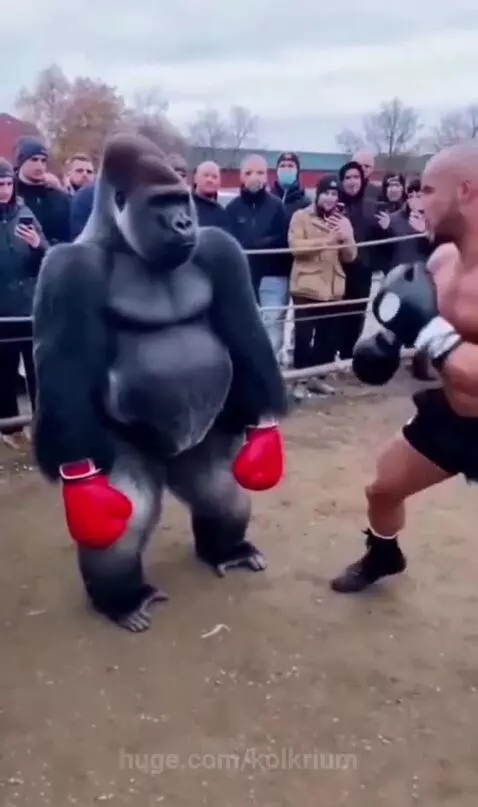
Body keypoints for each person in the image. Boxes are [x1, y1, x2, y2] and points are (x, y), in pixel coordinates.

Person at [32, 131, 288, 633]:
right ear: (121, 203)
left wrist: (263, 418)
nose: (182, 220)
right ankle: (118, 596)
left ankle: (223, 547)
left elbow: (249, 340)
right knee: (124, 523)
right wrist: (79, 471)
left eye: (182, 202)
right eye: (163, 207)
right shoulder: (76, 269)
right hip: (122, 433)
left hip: (204, 425)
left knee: (226, 495)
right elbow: (61, 377)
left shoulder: (216, 253)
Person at [330, 141, 478, 593]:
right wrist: (387, 342)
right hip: (454, 416)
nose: (417, 202)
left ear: (467, 191)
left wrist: (427, 330)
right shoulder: (442, 260)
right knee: (383, 489)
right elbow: (415, 330)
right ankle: (383, 555)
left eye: (429, 190)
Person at [288, 175, 357, 399]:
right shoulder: (301, 217)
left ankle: (317, 379)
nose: (330, 198)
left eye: (334, 194)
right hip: (307, 286)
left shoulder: (342, 220)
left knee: (327, 338)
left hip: (332, 288)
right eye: (326, 192)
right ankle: (299, 379)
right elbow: (296, 247)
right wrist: (326, 240)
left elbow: (350, 256)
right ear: (318, 194)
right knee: (303, 336)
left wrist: (346, 237)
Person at [0, 158, 47, 449]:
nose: (4, 190)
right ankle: (10, 426)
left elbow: (47, 255)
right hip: (1, 307)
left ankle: (41, 423)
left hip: (28, 304)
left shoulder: (24, 212)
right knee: (3, 371)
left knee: (36, 368)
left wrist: (37, 246)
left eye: (7, 184)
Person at [225, 155, 289, 357]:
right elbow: (228, 242)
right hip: (243, 276)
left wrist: (264, 243)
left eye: (260, 172)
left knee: (272, 323)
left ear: (267, 176)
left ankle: (270, 370)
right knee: (245, 324)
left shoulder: (278, 206)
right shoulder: (232, 208)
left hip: (273, 275)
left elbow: (285, 238)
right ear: (241, 177)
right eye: (249, 172)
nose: (255, 177)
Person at [192, 161, 229, 230]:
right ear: (195, 178)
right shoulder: (185, 206)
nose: (210, 180)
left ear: (219, 182)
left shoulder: (222, 214)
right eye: (206, 175)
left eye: (214, 177)